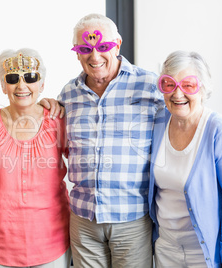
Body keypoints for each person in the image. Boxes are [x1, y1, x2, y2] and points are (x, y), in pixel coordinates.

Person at [42, 13, 165, 267]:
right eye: (85, 48)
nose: (94, 56)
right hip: (83, 219)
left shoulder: (149, 86)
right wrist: (45, 106)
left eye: (103, 47)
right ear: (76, 53)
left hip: (131, 219)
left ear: (117, 45)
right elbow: (60, 143)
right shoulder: (68, 93)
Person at [0, 48, 71, 268]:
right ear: (2, 85)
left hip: (52, 240)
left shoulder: (58, 122)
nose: (21, 86)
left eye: (30, 77)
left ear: (42, 84)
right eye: (12, 78)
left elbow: (82, 163)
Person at [149, 51, 222, 268]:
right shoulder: (158, 123)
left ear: (202, 89)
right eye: (169, 85)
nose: (177, 94)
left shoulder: (216, 129)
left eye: (188, 85)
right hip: (165, 247)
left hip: (202, 251)